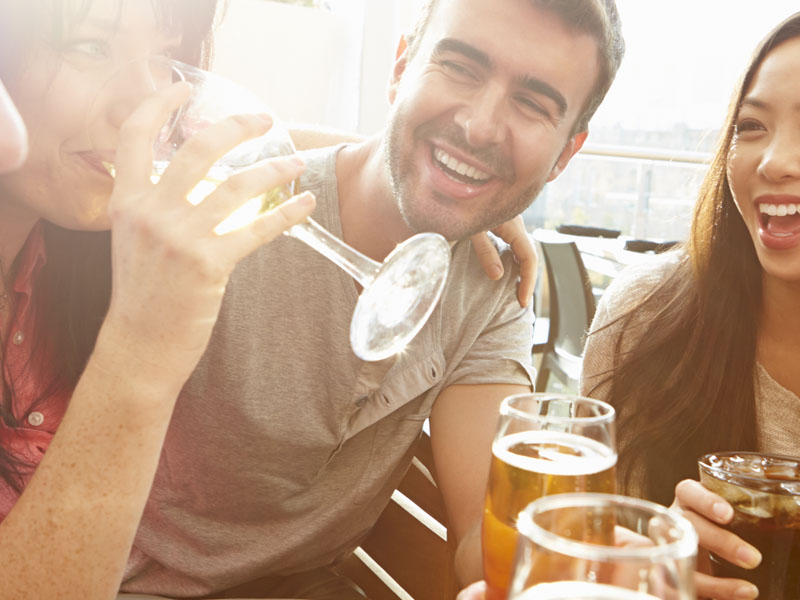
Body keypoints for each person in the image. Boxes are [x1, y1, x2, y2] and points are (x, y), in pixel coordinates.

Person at [0, 1, 622, 599]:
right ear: (401, 68)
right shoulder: (178, 218)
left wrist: (587, 563)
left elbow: (483, 538)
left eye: (533, 104)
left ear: (569, 151)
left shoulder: (488, 285)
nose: (480, 126)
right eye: (459, 66)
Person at [0, 1, 317, 598]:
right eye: (91, 46)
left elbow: (232, 150)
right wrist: (142, 352)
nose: (146, 108)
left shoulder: (60, 252)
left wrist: (423, 176)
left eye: (166, 58)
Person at [581, 12, 800, 600]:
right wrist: (646, 564)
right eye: (751, 125)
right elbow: (587, 562)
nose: (774, 161)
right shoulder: (646, 318)